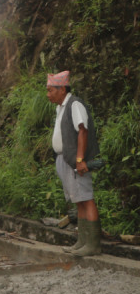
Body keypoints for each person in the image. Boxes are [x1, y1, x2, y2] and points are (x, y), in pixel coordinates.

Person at [46, 71, 101, 256]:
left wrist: (79, 159)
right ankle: (82, 241)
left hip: (75, 160)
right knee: (78, 201)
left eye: (50, 90)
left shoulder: (74, 104)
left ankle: (92, 244)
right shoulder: (60, 107)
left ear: (62, 89)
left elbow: (82, 130)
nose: (48, 94)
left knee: (86, 198)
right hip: (65, 159)